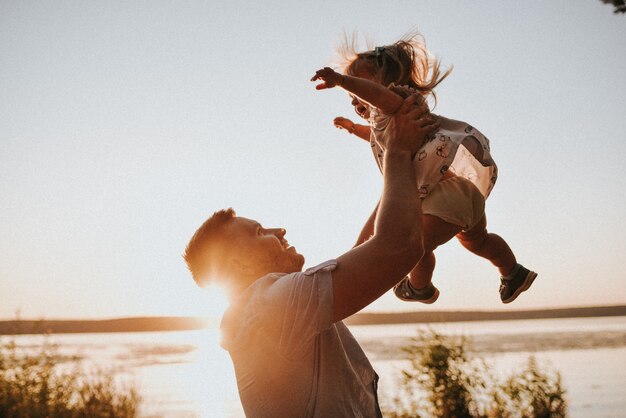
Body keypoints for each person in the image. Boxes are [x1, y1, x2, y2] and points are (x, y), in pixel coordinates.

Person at [183, 95, 437, 417]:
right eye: (260, 231)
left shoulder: (267, 310)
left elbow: (368, 249)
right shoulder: (269, 307)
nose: (280, 231)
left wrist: (401, 166)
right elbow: (397, 247)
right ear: (236, 264)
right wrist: (399, 151)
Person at [311, 32, 537, 305]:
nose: (355, 99)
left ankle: (420, 287)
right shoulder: (394, 117)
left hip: (445, 195)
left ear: (388, 84)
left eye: (359, 89)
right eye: (351, 96)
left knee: (412, 245)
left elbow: (378, 99)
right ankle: (512, 271)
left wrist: (341, 81)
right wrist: (352, 128)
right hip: (464, 192)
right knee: (479, 241)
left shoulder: (397, 102)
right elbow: (378, 137)